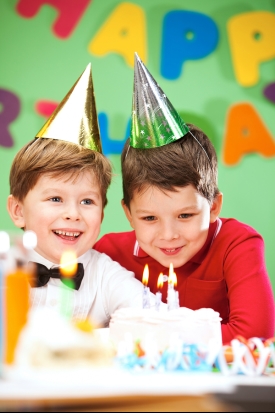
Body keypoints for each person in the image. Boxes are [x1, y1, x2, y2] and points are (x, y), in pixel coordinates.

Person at [94, 54, 275, 343]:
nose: (169, 235)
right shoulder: (110, 254)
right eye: (149, 218)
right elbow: (89, 332)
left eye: (185, 215)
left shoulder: (236, 244)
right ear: (128, 214)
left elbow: (254, 336)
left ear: (213, 206)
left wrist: (148, 338)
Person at [7, 64, 155, 328]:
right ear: (18, 210)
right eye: (55, 199)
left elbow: (159, 321)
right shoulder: (4, 269)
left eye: (87, 201)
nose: (73, 214)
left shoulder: (106, 276)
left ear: (102, 212)